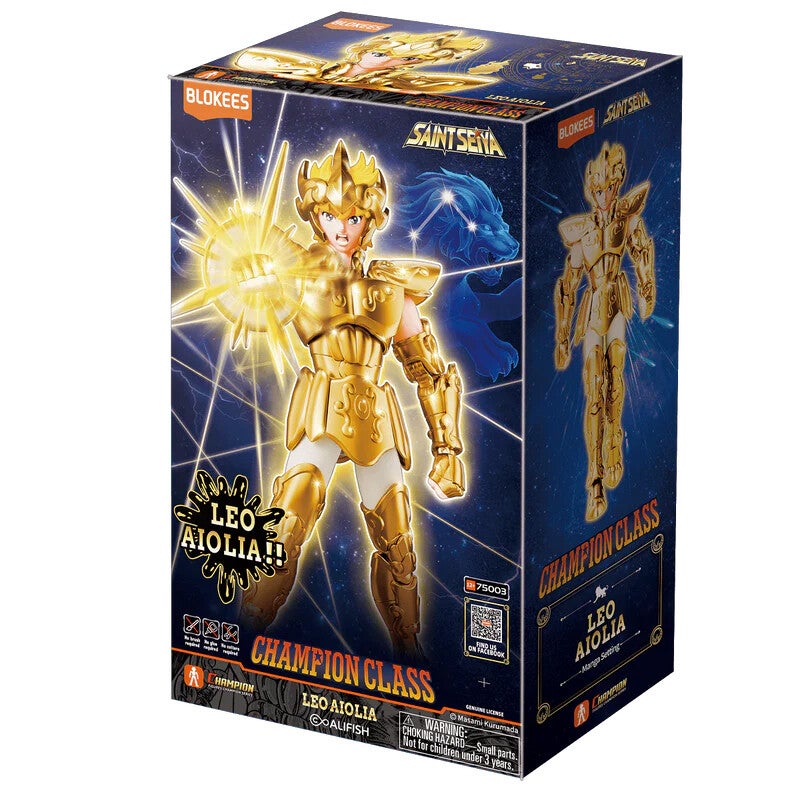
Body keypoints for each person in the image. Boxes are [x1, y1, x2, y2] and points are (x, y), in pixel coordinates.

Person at [236, 140, 467, 659]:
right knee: (288, 519)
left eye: (354, 218)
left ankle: (408, 649)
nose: (343, 228)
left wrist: (448, 448)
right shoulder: (297, 275)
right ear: (315, 217)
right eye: (331, 216)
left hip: (375, 417)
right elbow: (247, 285)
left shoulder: (393, 287)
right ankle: (247, 628)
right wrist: (249, 275)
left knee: (399, 546)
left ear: (370, 218)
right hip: (320, 407)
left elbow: (429, 372)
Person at [554, 142, 655, 522]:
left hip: (616, 302)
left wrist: (647, 287)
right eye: (598, 189)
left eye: (609, 188)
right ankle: (594, 479)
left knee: (615, 378)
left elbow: (641, 253)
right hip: (594, 305)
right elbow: (567, 287)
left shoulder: (627, 220)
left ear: (616, 184)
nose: (603, 195)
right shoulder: (581, 233)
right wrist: (563, 335)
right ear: (591, 189)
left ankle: (614, 438)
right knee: (594, 387)